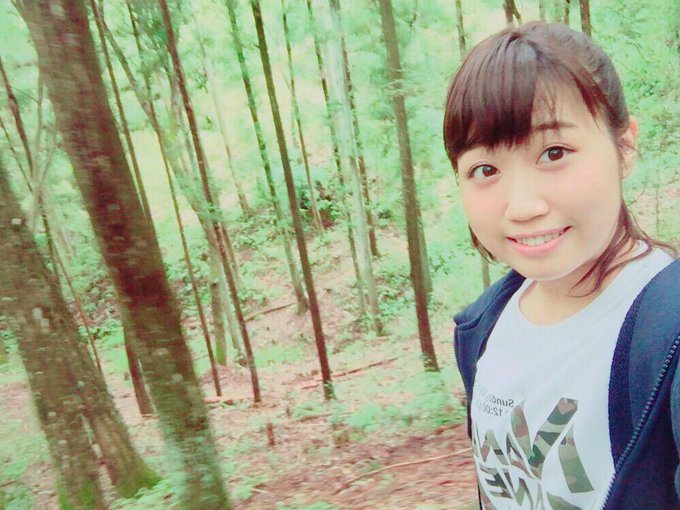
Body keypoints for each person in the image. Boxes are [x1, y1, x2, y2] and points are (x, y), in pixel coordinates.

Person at [443, 22, 679, 509]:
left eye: (554, 153)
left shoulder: (667, 335)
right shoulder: (484, 326)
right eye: (485, 169)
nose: (522, 206)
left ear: (625, 147)